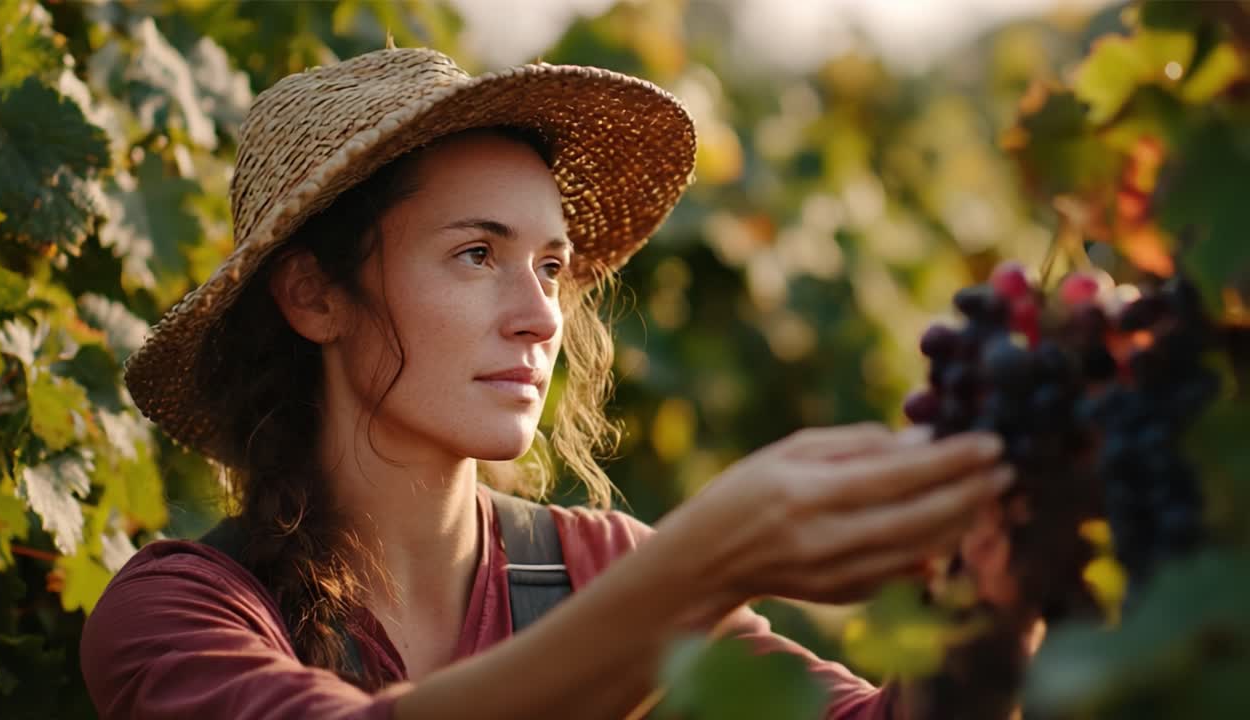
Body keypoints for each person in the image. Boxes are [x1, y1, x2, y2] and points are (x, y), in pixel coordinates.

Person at [80, 47, 1020, 720]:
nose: (540, 315)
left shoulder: (605, 567)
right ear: (313, 295)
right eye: (478, 253)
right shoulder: (178, 616)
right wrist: (701, 568)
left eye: (554, 266)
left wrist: (1002, 598)